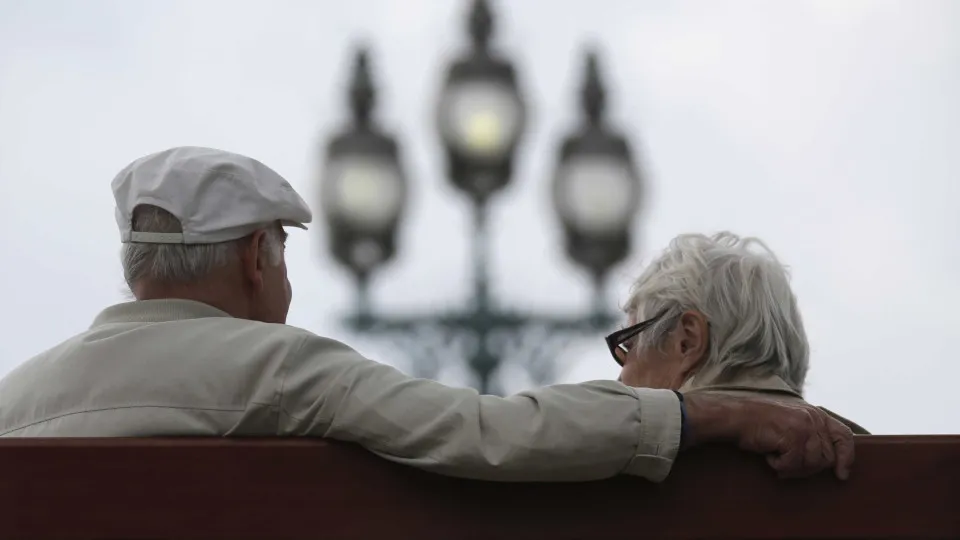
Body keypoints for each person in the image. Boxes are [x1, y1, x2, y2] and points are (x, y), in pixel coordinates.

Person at [0, 147, 854, 483]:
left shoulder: (18, 401)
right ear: (259, 255)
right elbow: (493, 435)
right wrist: (707, 411)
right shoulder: (283, 369)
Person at [610, 232, 868, 434]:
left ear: (687, 341)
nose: (621, 376)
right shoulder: (875, 460)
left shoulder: (630, 468)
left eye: (629, 345)